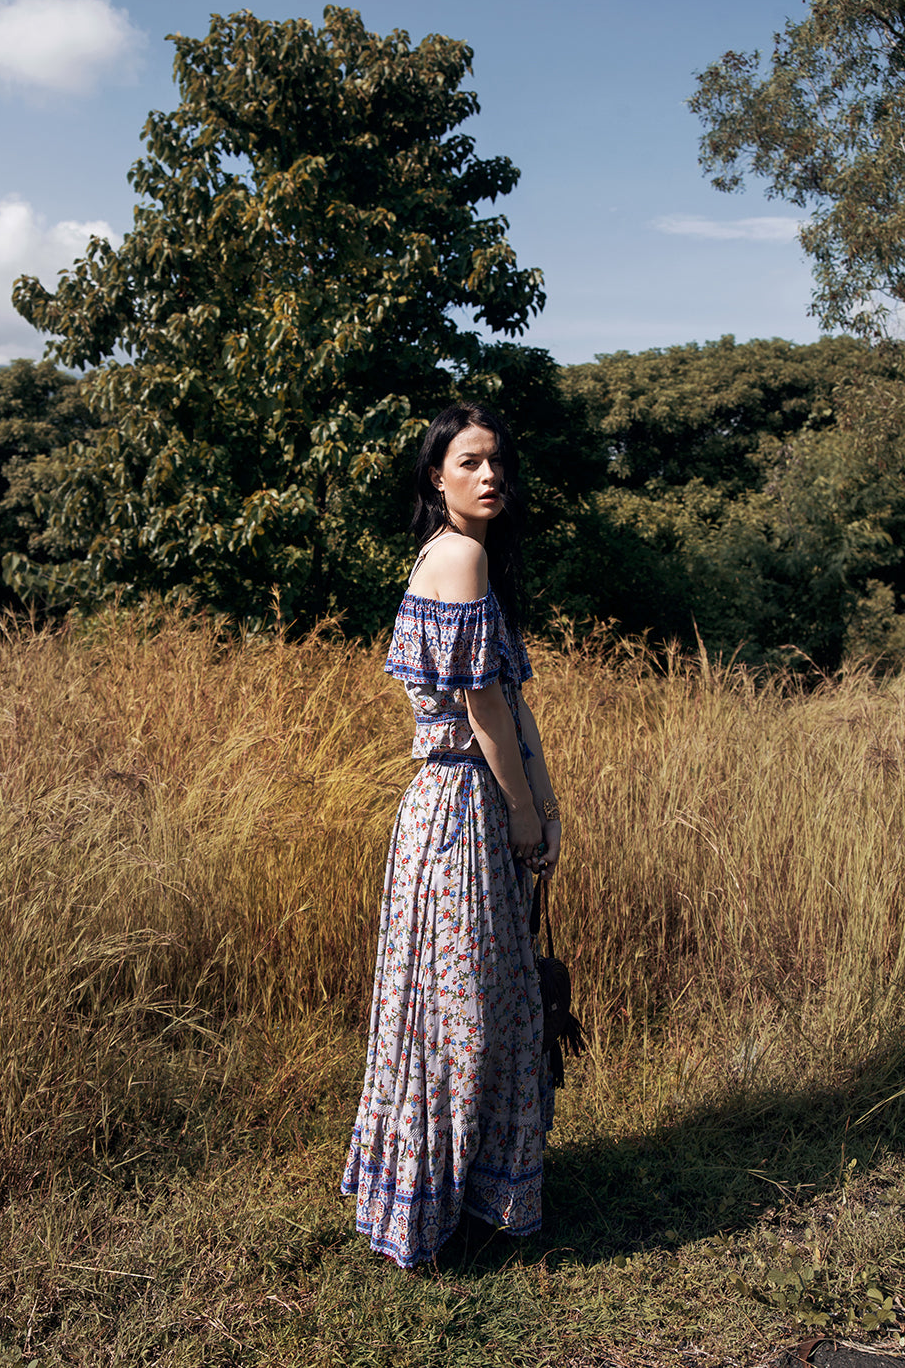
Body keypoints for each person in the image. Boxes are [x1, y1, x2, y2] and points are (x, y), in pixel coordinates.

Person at [340, 401, 562, 1268]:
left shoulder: (455, 556)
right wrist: (522, 811)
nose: (490, 474)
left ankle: (460, 1198)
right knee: (464, 1010)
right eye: (469, 462)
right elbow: (482, 708)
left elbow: (512, 703)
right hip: (462, 807)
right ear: (437, 477)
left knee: (461, 1005)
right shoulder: (460, 555)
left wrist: (546, 803)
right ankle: (448, 1213)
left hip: (458, 801)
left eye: (498, 460)